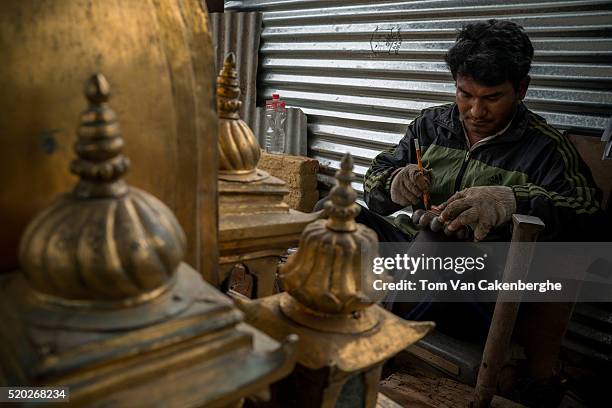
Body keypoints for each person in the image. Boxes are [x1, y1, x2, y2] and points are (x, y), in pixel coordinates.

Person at [363, 19, 605, 242]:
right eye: (465, 95)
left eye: (492, 97)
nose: (476, 112)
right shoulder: (429, 126)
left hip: (480, 263)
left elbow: (589, 215)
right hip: (408, 241)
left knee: (433, 242)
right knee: (334, 216)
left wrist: (512, 200)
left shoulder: (545, 148)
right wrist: (392, 183)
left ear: (521, 89)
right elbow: (376, 177)